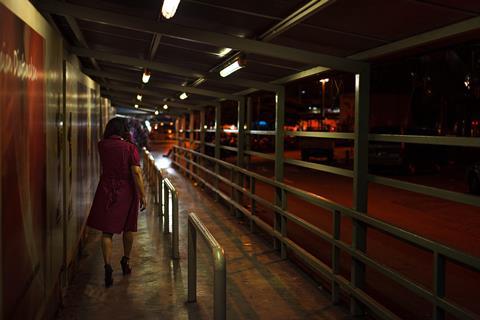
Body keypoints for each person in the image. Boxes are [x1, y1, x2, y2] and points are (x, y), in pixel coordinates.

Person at [87, 117, 146, 287]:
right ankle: (125, 261)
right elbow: (136, 172)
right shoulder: (129, 148)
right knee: (129, 227)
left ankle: (107, 267)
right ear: (123, 130)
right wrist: (143, 195)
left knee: (107, 232)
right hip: (126, 190)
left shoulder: (102, 145)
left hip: (106, 188)